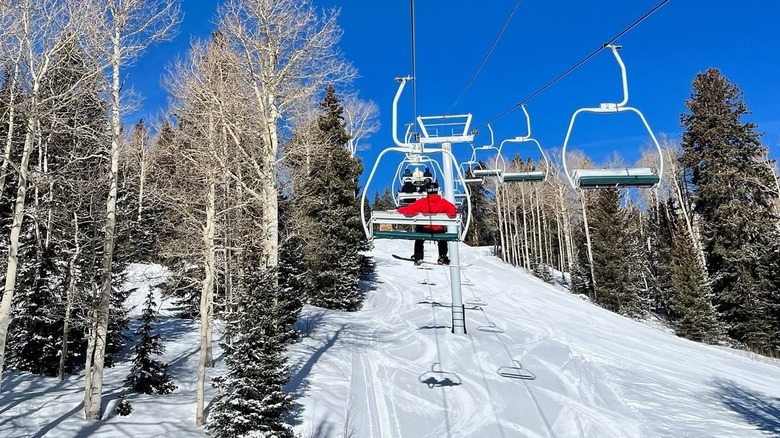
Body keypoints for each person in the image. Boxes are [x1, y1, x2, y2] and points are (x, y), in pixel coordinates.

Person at [396, 181, 457, 265]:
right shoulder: (444, 203)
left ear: (427, 191)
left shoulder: (422, 202)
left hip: (424, 229)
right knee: (442, 238)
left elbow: (409, 211)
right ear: (437, 190)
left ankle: (418, 256)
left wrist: (400, 209)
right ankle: (442, 256)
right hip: (438, 230)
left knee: (419, 238)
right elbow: (453, 212)